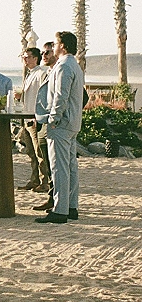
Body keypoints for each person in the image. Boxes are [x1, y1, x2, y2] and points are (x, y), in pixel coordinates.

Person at [35, 31, 84, 225]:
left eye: (55, 44)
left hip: (62, 124)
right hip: (72, 123)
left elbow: (60, 96)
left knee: (59, 168)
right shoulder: (75, 65)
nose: (53, 47)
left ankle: (60, 209)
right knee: (70, 166)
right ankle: (71, 206)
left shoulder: (64, 66)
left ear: (62, 46)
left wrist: (53, 119)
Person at [18, 47, 48, 192]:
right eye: (23, 56)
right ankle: (34, 179)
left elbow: (43, 96)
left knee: (39, 152)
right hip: (26, 118)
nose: (25, 59)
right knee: (31, 152)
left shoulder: (41, 73)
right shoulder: (30, 74)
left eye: (27, 56)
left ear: (35, 58)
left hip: (35, 118)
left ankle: (44, 181)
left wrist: (39, 115)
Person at [32, 41, 56, 211]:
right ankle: (52, 197)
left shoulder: (61, 71)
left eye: (47, 52)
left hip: (53, 125)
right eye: (42, 53)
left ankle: (55, 200)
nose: (44, 56)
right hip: (42, 123)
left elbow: (81, 97)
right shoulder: (48, 72)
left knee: (55, 165)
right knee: (47, 164)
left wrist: (60, 117)